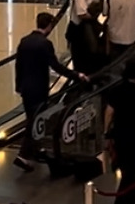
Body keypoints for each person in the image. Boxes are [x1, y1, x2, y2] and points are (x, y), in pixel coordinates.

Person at [14, 13, 86, 171]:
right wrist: (76, 75)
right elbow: (56, 66)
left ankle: (36, 149)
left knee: (31, 118)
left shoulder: (24, 41)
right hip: (38, 88)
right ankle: (23, 155)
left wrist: (18, 85)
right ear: (49, 26)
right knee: (34, 121)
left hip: (26, 88)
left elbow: (18, 65)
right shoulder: (45, 44)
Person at [103, 65, 135, 204]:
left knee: (126, 168)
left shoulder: (115, 90)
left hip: (120, 135)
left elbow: (109, 112)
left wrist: (106, 133)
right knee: (132, 170)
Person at [65, 0, 97, 65]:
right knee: (81, 61)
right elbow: (82, 14)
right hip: (79, 32)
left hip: (78, 30)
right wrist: (95, 18)